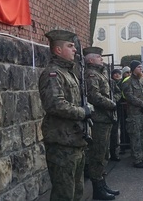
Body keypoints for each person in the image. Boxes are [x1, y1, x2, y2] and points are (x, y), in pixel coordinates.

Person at [39, 30, 91, 200]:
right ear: (58, 50)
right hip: (61, 142)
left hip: (75, 140)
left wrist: (86, 107)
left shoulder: (70, 73)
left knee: (76, 191)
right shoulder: (53, 73)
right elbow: (55, 104)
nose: (75, 49)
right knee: (64, 194)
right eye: (70, 46)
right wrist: (82, 112)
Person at [83, 46, 119, 200]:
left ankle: (102, 184)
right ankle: (98, 188)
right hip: (99, 119)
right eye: (98, 57)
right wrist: (111, 104)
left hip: (106, 118)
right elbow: (94, 96)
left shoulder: (100, 73)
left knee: (104, 153)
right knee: (97, 154)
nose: (101, 59)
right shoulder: (91, 74)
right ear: (90, 59)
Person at [122, 60, 143, 168]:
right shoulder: (128, 82)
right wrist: (142, 105)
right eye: (138, 67)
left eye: (141, 67)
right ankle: (137, 159)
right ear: (133, 69)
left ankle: (142, 156)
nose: (140, 69)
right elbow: (130, 96)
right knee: (136, 136)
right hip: (135, 114)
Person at [109, 68, 123, 162]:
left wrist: (113, 100)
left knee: (114, 133)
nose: (117, 75)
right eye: (115, 74)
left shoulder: (111, 83)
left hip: (114, 109)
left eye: (119, 74)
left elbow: (119, 93)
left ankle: (113, 153)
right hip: (102, 112)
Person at [118, 66, 131, 155]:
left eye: (129, 72)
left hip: (131, 108)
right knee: (123, 127)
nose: (128, 74)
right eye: (127, 73)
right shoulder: (121, 83)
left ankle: (129, 144)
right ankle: (123, 145)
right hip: (123, 108)